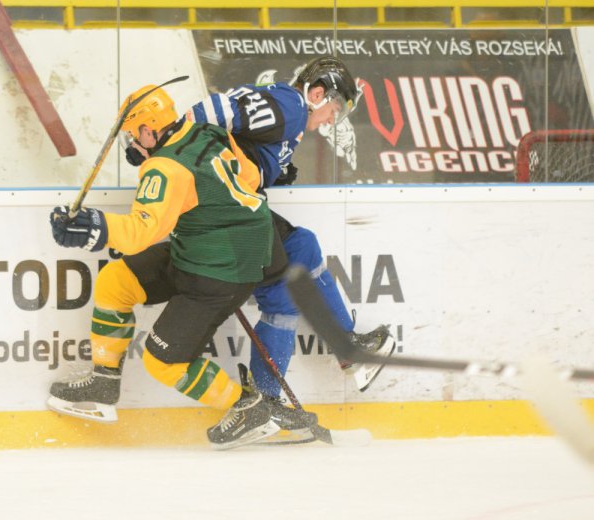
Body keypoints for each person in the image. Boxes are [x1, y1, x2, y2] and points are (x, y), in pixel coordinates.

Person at [46, 84, 286, 450]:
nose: (132, 144)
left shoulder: (164, 167)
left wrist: (93, 226)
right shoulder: (207, 132)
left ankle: (248, 408)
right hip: (208, 252)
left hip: (220, 270)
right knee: (115, 280)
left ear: (148, 130)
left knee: (163, 362)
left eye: (133, 135)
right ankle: (104, 383)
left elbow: (140, 233)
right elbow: (251, 177)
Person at [184, 56, 396, 440]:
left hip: (232, 210)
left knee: (302, 246)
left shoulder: (289, 113)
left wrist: (270, 167)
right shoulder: (291, 106)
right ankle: (265, 402)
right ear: (317, 94)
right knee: (283, 290)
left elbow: (236, 132)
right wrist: (169, 142)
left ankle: (339, 353)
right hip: (224, 214)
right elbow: (215, 110)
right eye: (334, 108)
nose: (332, 119)